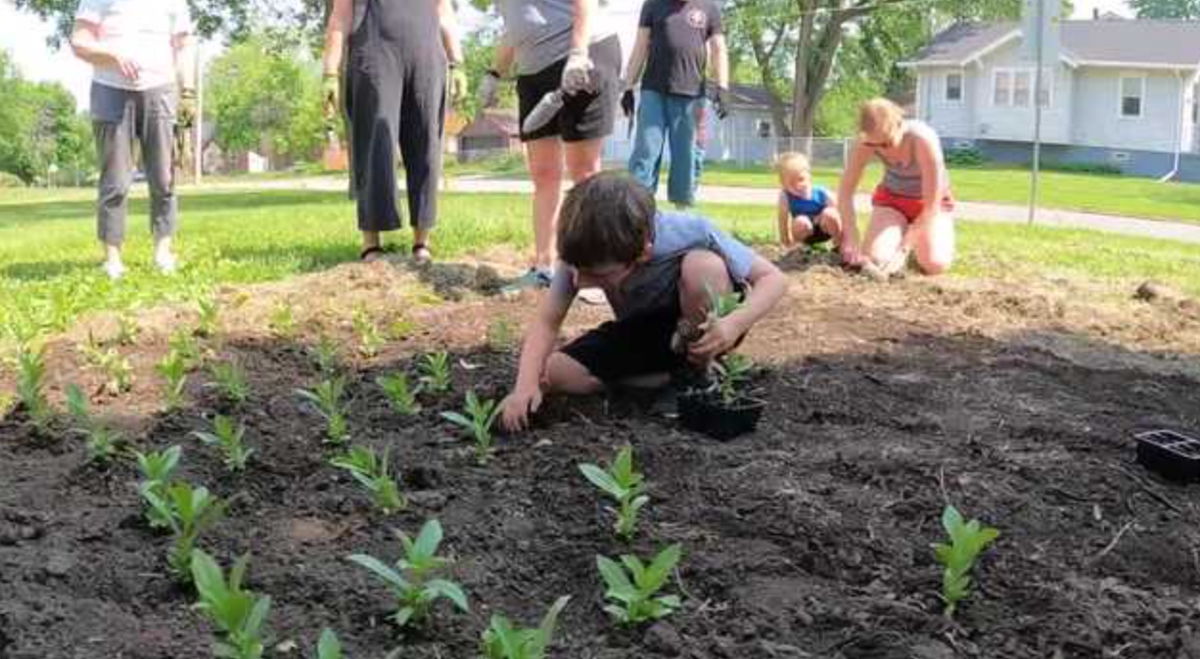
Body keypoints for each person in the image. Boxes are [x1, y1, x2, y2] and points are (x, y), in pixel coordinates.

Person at [499, 172, 787, 432]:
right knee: (553, 373)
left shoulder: (690, 232)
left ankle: (697, 375)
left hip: (703, 325)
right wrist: (524, 387)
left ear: (643, 253)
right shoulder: (583, 250)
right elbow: (548, 322)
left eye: (595, 274)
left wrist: (733, 324)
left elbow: (773, 279)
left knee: (703, 267)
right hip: (643, 331)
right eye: (574, 268)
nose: (578, 282)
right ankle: (664, 379)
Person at [480, 0, 622, 291]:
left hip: (582, 52)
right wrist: (494, 73)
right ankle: (544, 267)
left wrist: (578, 54)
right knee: (543, 173)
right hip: (533, 68)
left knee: (584, 172)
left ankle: (594, 269)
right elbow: (517, 27)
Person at [321, 0, 468, 263]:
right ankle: (371, 243)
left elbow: (444, 13)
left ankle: (422, 242)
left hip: (426, 56)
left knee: (426, 145)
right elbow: (340, 17)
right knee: (375, 140)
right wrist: (330, 72)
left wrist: (457, 63)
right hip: (373, 53)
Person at [70, 0, 196, 280]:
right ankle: (112, 259)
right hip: (110, 90)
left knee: (164, 178)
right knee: (115, 181)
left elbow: (184, 45)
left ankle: (163, 252)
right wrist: (112, 55)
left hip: (160, 90)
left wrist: (187, 92)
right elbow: (79, 42)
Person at [623, 0, 730, 208]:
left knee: (687, 157)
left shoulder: (709, 8)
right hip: (653, 91)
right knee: (646, 151)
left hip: (691, 96)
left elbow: (719, 50)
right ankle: (638, 210)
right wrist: (628, 86)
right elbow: (640, 46)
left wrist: (723, 87)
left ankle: (682, 212)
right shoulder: (652, 5)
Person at [837, 98, 955, 276]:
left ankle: (916, 243)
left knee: (934, 264)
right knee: (877, 259)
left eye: (886, 143)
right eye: (872, 145)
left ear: (899, 125)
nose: (882, 150)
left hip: (928, 203)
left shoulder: (922, 139)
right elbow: (845, 192)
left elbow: (931, 205)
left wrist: (903, 249)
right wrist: (851, 237)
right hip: (892, 201)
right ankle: (898, 232)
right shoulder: (864, 142)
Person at [775, 152, 842, 251]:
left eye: (801, 179)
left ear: (809, 176)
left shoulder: (821, 193)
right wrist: (785, 242)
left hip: (825, 229)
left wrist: (820, 217)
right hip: (805, 233)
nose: (798, 185)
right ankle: (799, 247)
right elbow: (782, 220)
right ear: (783, 183)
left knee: (830, 213)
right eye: (791, 183)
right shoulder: (786, 196)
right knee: (800, 221)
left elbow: (840, 212)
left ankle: (839, 243)